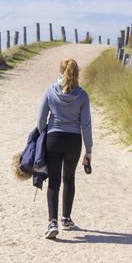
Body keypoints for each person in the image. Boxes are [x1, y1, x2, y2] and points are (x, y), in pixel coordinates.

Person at [37, 58, 93, 239]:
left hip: (53, 139)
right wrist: (88, 149)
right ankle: (66, 218)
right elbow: (86, 125)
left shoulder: (50, 91)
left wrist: (43, 135)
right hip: (73, 141)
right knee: (68, 179)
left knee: (53, 182)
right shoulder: (82, 95)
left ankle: (52, 222)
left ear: (61, 71)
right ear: (77, 73)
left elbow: (40, 121)